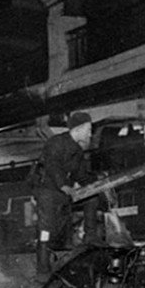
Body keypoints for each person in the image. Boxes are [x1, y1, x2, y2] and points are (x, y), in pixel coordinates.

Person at [30, 112, 98, 279]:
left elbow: (81, 174)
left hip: (62, 193)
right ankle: (43, 270)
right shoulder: (56, 143)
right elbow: (52, 165)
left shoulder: (78, 150)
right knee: (46, 231)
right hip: (47, 192)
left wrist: (96, 183)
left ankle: (90, 237)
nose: (90, 134)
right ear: (79, 129)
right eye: (89, 129)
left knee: (92, 198)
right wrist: (65, 186)